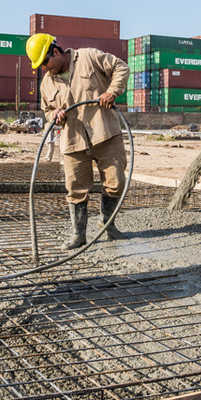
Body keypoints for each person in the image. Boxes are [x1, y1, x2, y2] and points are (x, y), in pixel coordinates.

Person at [27, 33, 130, 248]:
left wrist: (112, 92)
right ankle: (78, 234)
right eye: (41, 65)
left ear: (55, 52)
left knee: (116, 183)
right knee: (75, 189)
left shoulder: (89, 57)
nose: (45, 68)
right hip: (73, 140)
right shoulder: (46, 83)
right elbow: (47, 110)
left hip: (105, 134)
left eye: (45, 62)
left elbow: (121, 67)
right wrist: (54, 114)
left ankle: (107, 224)